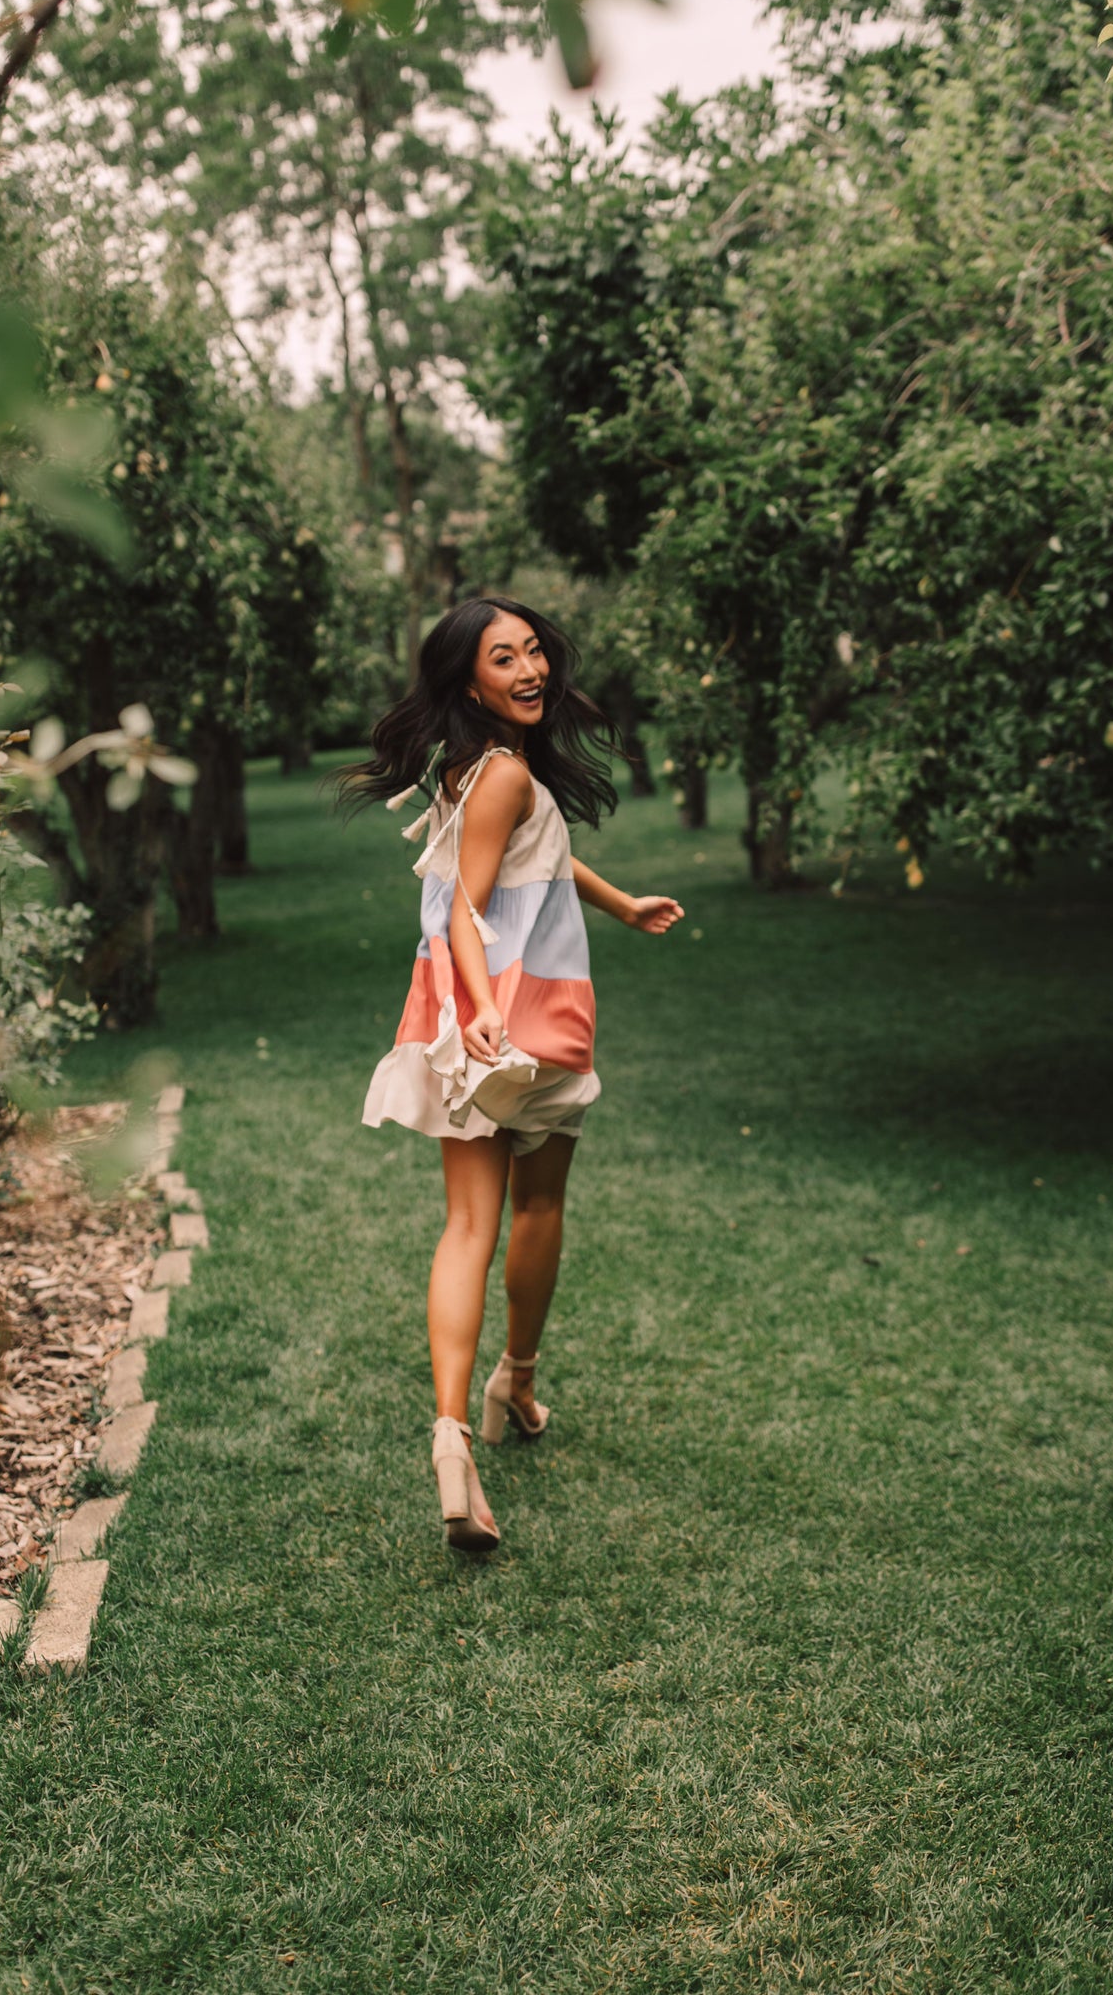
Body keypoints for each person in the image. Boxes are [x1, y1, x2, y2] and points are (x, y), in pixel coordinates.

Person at [341, 596, 683, 1553]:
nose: (529, 669)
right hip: (522, 1009)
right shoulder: (501, 776)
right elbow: (468, 908)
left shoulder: (474, 768)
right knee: (534, 1210)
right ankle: (515, 1381)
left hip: (462, 1014)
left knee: (464, 1225)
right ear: (467, 679)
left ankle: (456, 1434)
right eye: (504, 658)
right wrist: (489, 1000)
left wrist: (618, 904)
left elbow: (536, 858)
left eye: (534, 650)